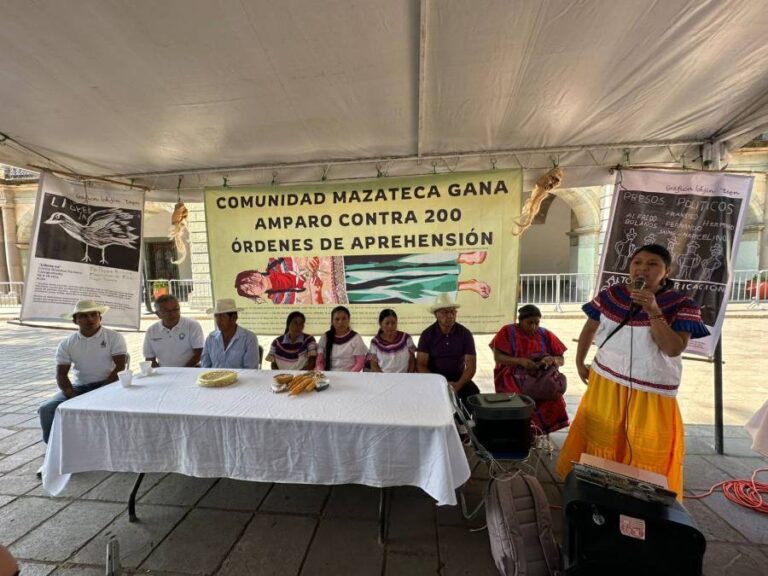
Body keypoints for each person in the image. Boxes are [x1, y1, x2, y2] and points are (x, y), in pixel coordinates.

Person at [556, 244, 710, 498]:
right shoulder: (612, 295)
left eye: (652, 264)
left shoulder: (682, 304)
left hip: (651, 389)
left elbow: (673, 348)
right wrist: (579, 362)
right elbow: (589, 328)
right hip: (606, 379)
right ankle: (595, 490)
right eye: (637, 262)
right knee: (601, 435)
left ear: (667, 271)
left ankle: (642, 499)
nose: (642, 269)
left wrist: (654, 310)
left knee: (645, 445)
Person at [234, 251, 491, 306]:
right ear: (254, 296)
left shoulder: (276, 260)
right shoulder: (279, 300)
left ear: (254, 272)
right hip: (349, 293)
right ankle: (465, 285)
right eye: (249, 289)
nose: (254, 284)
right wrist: (315, 292)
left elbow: (307, 247)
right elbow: (314, 303)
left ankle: (460, 257)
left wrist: (309, 260)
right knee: (404, 289)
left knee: (400, 262)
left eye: (250, 279)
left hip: (345, 265)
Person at [39, 300, 127, 443]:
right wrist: (73, 396)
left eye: (93, 314)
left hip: (109, 385)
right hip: (80, 388)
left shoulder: (114, 337)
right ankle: (53, 449)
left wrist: (102, 391)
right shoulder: (67, 343)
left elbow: (120, 366)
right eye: (84, 316)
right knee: (46, 409)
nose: (90, 319)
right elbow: (61, 374)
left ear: (100, 317)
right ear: (75, 320)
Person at [489, 304, 569, 433]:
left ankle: (539, 432)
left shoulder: (545, 334)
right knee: (522, 402)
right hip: (512, 376)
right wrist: (520, 361)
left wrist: (552, 360)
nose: (533, 327)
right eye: (529, 323)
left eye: (537, 323)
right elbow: (498, 357)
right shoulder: (507, 331)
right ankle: (521, 433)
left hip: (541, 377)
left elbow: (561, 359)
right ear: (520, 321)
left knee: (553, 397)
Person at [417, 293, 479, 399]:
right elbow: (420, 365)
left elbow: (471, 366)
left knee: (474, 395)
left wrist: (458, 385)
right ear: (436, 314)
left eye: (453, 312)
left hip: (459, 380)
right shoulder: (427, 335)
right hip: (434, 380)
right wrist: (439, 383)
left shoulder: (465, 333)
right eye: (445, 312)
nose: (450, 316)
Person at [143, 294, 204, 367]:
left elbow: (199, 353)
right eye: (167, 311)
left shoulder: (192, 325)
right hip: (164, 371)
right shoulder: (151, 331)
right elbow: (149, 358)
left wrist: (182, 370)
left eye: (175, 309)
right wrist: (159, 372)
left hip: (191, 369)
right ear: (158, 314)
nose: (172, 314)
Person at [201, 298, 260, 369]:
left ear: (234, 318)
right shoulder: (211, 338)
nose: (218, 320)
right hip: (214, 376)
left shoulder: (249, 338)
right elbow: (205, 366)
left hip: (240, 376)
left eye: (222, 316)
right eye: (216, 316)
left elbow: (250, 369)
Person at [316, 306, 367, 371]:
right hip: (328, 375)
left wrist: (348, 375)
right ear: (332, 321)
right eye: (337, 319)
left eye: (344, 319)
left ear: (349, 320)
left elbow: (360, 363)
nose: (340, 322)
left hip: (350, 374)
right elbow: (319, 362)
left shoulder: (356, 338)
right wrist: (323, 374)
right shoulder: (325, 337)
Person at [368, 308, 416, 373]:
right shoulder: (375, 342)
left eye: (393, 323)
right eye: (387, 323)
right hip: (384, 377)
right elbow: (374, 365)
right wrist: (383, 378)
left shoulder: (406, 338)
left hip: (405, 376)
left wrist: (408, 375)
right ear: (380, 324)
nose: (390, 326)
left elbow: (412, 361)